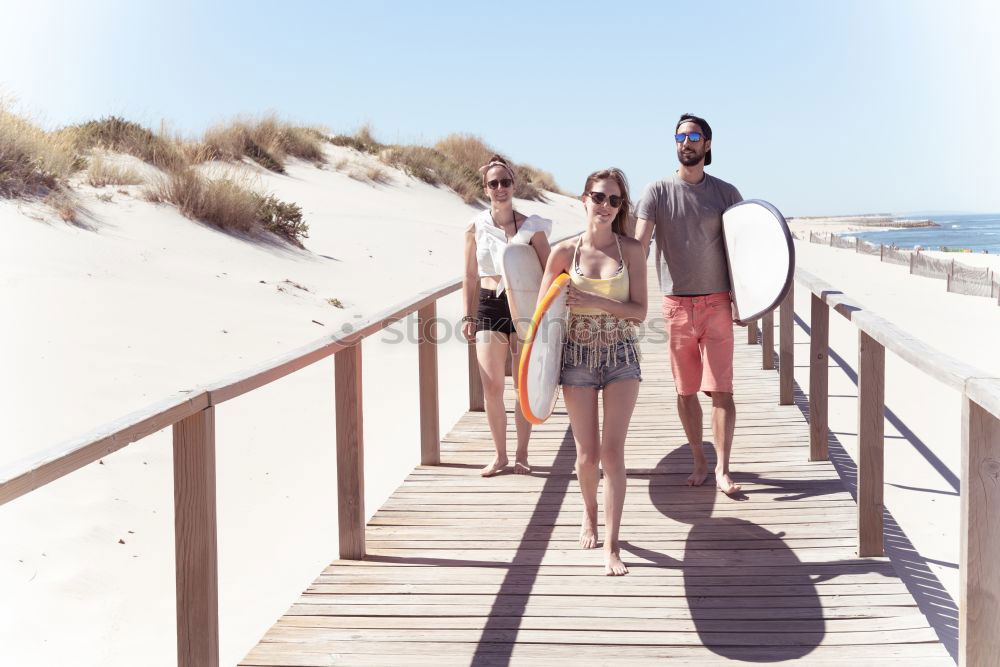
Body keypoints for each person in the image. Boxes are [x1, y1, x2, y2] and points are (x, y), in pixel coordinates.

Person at [538, 168, 647, 575]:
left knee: (612, 453)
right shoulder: (564, 253)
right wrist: (534, 368)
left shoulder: (631, 250)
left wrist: (591, 299)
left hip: (621, 356)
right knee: (586, 455)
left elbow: (639, 312)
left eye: (614, 200)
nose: (605, 206)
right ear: (584, 199)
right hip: (576, 358)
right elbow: (543, 315)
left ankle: (613, 545)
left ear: (621, 207)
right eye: (599, 197)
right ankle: (588, 513)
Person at [635, 113, 744, 495]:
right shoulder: (657, 192)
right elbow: (639, 244)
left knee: (722, 390)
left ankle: (723, 468)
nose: (687, 142)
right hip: (676, 306)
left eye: (695, 136)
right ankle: (700, 458)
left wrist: (746, 302)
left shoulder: (727, 193)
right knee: (685, 391)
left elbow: (744, 250)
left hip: (717, 304)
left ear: (708, 145)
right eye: (680, 136)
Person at [462, 155, 552, 477]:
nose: (500, 188)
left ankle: (522, 453)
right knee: (492, 386)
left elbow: (550, 272)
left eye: (505, 182)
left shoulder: (532, 227)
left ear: (514, 185)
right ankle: (499, 455)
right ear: (485, 189)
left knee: (522, 385)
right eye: (493, 183)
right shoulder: (475, 226)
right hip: (488, 305)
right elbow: (470, 276)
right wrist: (467, 316)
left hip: (524, 306)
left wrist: (547, 315)